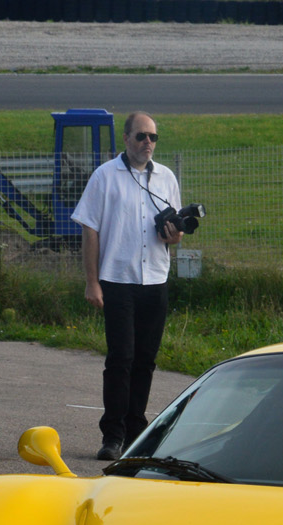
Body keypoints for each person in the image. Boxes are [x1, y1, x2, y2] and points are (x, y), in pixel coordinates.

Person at [71, 111, 184, 461]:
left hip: (155, 279)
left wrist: (175, 234)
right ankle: (113, 435)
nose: (147, 143)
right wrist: (92, 282)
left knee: (146, 360)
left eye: (152, 137)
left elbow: (176, 232)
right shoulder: (105, 177)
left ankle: (137, 430)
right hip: (117, 280)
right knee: (121, 358)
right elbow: (90, 228)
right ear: (126, 139)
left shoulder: (165, 177)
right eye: (141, 136)